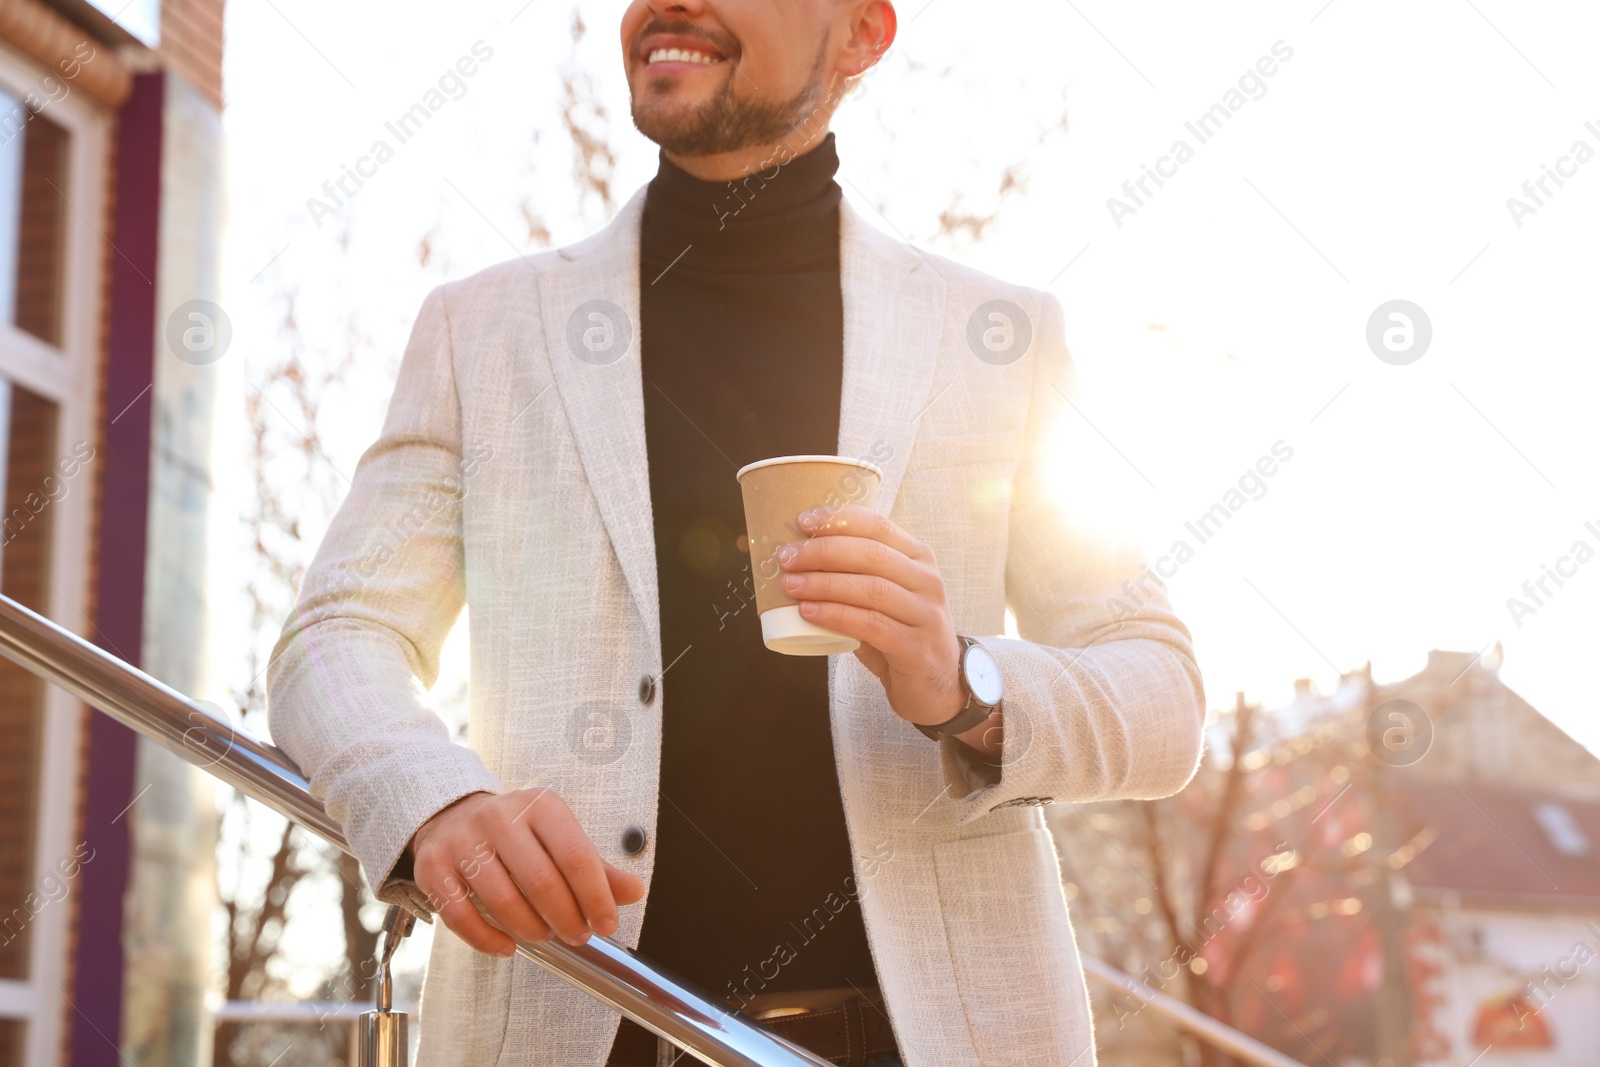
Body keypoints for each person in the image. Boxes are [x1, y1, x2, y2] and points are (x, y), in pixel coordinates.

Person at [267, 1, 1206, 1065]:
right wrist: (433, 799)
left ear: (860, 33)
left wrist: (962, 680)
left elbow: (1162, 694)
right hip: (573, 1017)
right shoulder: (480, 330)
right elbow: (332, 635)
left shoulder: (1000, 337)